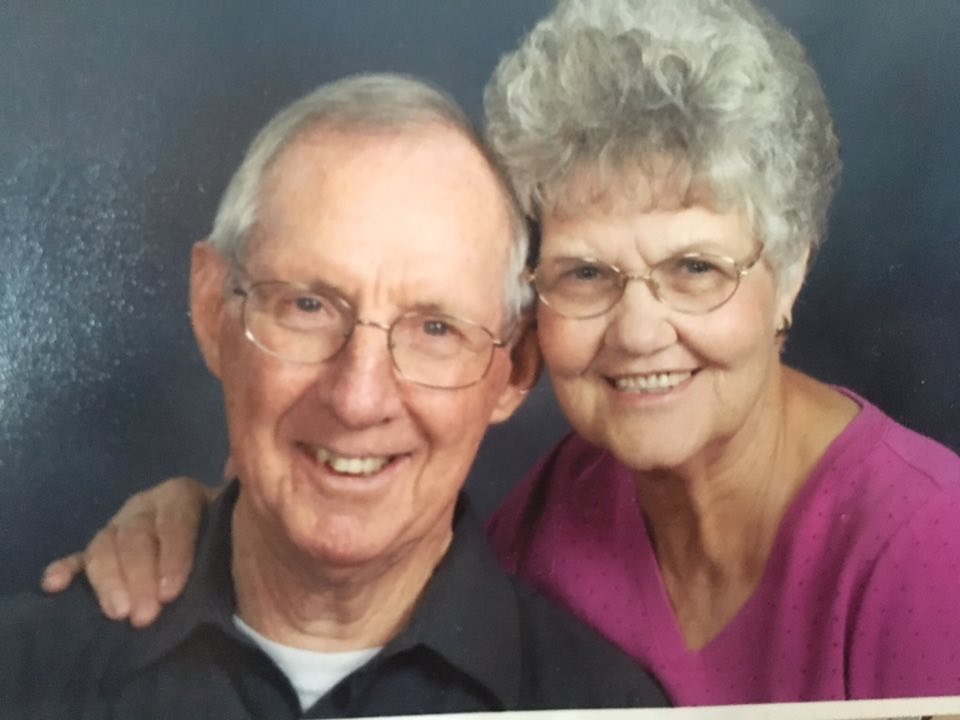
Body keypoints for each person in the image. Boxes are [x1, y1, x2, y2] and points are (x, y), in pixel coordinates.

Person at [43, 0, 960, 705]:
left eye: (694, 268)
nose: (640, 332)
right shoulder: (554, 517)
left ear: (791, 271)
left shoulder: (927, 555)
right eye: (587, 275)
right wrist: (198, 519)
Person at [2, 73, 668, 717]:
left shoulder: (608, 709)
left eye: (435, 328)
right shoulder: (24, 673)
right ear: (213, 311)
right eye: (309, 305)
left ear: (516, 368)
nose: (358, 397)